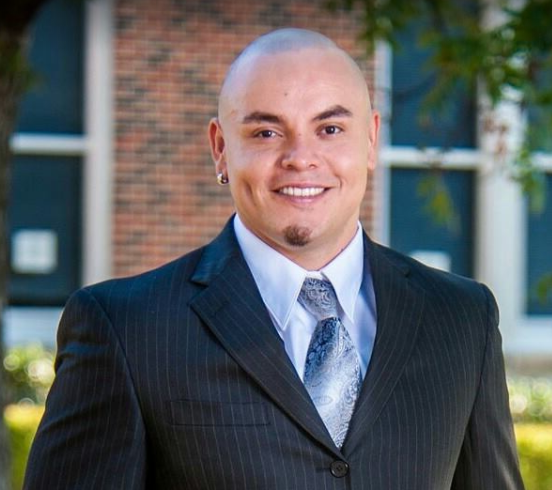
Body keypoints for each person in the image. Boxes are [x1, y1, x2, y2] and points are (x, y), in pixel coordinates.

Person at [24, 28, 524, 489]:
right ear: (221, 149)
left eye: (330, 129)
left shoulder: (462, 319)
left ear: (370, 140)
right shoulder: (125, 329)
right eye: (266, 133)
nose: (300, 157)